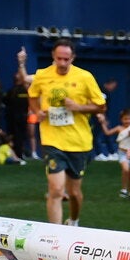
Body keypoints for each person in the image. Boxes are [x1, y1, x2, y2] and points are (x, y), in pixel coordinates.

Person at [29, 38, 105, 226]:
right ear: (53, 56)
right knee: (55, 189)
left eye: (66, 59)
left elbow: (101, 107)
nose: (62, 63)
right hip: (52, 139)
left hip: (78, 141)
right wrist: (37, 111)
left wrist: (78, 107)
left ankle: (74, 220)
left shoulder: (85, 77)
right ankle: (56, 235)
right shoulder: (42, 76)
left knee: (74, 193)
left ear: (73, 58)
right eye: (59, 59)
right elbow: (32, 95)